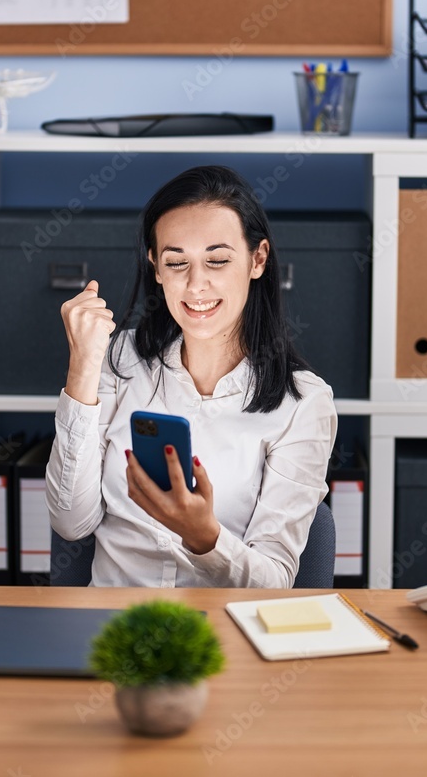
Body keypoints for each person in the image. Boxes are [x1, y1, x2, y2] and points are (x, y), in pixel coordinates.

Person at [45, 165, 338, 587]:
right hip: (112, 628)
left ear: (258, 259)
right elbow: (71, 522)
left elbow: (275, 582)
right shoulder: (119, 359)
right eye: (176, 261)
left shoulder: (304, 403)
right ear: (156, 267)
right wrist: (82, 366)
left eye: (217, 260)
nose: (196, 284)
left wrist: (205, 537)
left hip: (222, 633)